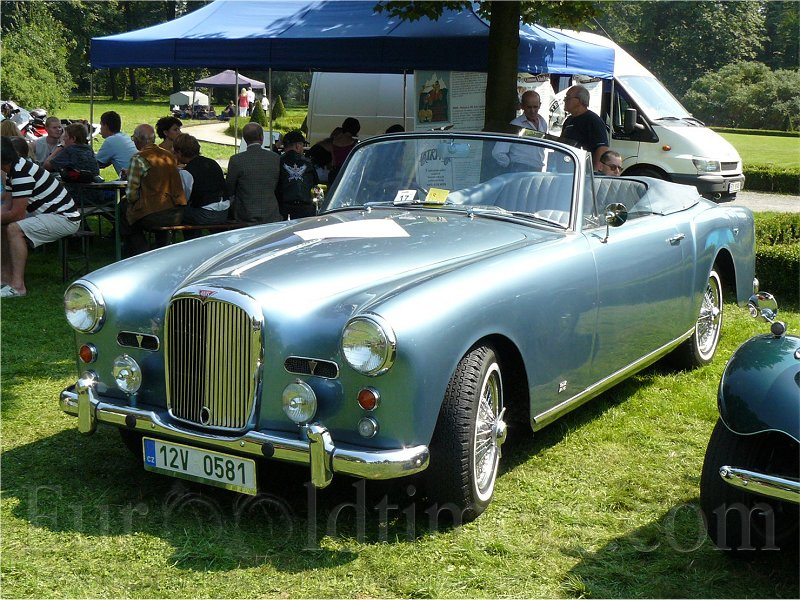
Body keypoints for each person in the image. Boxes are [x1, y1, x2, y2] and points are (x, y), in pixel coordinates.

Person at [1, 136, 80, 297]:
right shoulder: (14, 169)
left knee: (14, 229)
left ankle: (18, 286)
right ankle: (4, 278)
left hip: (65, 218)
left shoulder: (21, 174)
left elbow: (17, 214)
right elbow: (6, 207)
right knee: (4, 226)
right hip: (55, 215)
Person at [121, 124, 187, 256]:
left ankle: (141, 250)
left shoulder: (139, 158)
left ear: (137, 140)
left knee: (123, 209)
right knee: (157, 208)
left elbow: (131, 195)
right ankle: (161, 247)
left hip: (154, 213)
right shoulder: (169, 156)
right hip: (177, 211)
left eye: (133, 138)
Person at [172, 133, 228, 234]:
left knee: (179, 213)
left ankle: (193, 240)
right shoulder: (212, 163)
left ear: (179, 152)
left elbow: (184, 199)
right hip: (224, 211)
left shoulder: (188, 172)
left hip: (205, 214)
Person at [225, 122, 281, 224]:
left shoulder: (236, 160)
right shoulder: (275, 158)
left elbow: (229, 188)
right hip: (271, 213)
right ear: (261, 137)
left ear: (244, 138)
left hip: (245, 214)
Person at [492, 90, 548, 171]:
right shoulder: (515, 124)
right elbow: (498, 151)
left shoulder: (542, 122)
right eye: (529, 107)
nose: (532, 111)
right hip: (519, 168)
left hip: (537, 169)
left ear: (540, 105)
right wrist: (509, 165)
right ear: (522, 106)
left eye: (535, 107)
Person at [561, 85, 609, 170]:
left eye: (568, 97)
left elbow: (602, 148)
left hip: (583, 171)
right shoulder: (568, 120)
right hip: (566, 168)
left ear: (579, 101)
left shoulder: (593, 120)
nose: (564, 100)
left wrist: (594, 172)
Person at [276, 130, 319, 220]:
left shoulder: (277, 162)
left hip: (283, 208)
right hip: (305, 208)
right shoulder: (308, 163)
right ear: (297, 146)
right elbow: (315, 182)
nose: (303, 148)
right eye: (303, 145)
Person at [96, 111, 137, 178]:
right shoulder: (125, 136)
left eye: (101, 125)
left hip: (129, 180)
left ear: (106, 126)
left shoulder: (111, 140)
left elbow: (96, 164)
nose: (100, 128)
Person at [329, 117, 360, 183]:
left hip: (335, 173)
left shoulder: (334, 141)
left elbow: (333, 161)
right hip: (348, 173)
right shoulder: (355, 143)